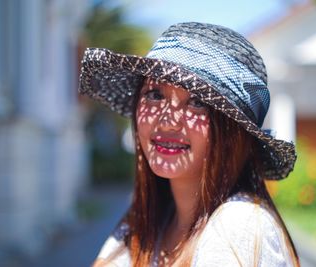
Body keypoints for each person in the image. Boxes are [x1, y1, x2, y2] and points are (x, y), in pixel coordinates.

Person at [79, 22, 299, 267]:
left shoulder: (236, 226)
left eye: (197, 102)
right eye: (154, 95)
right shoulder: (147, 222)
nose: (168, 121)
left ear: (232, 132)